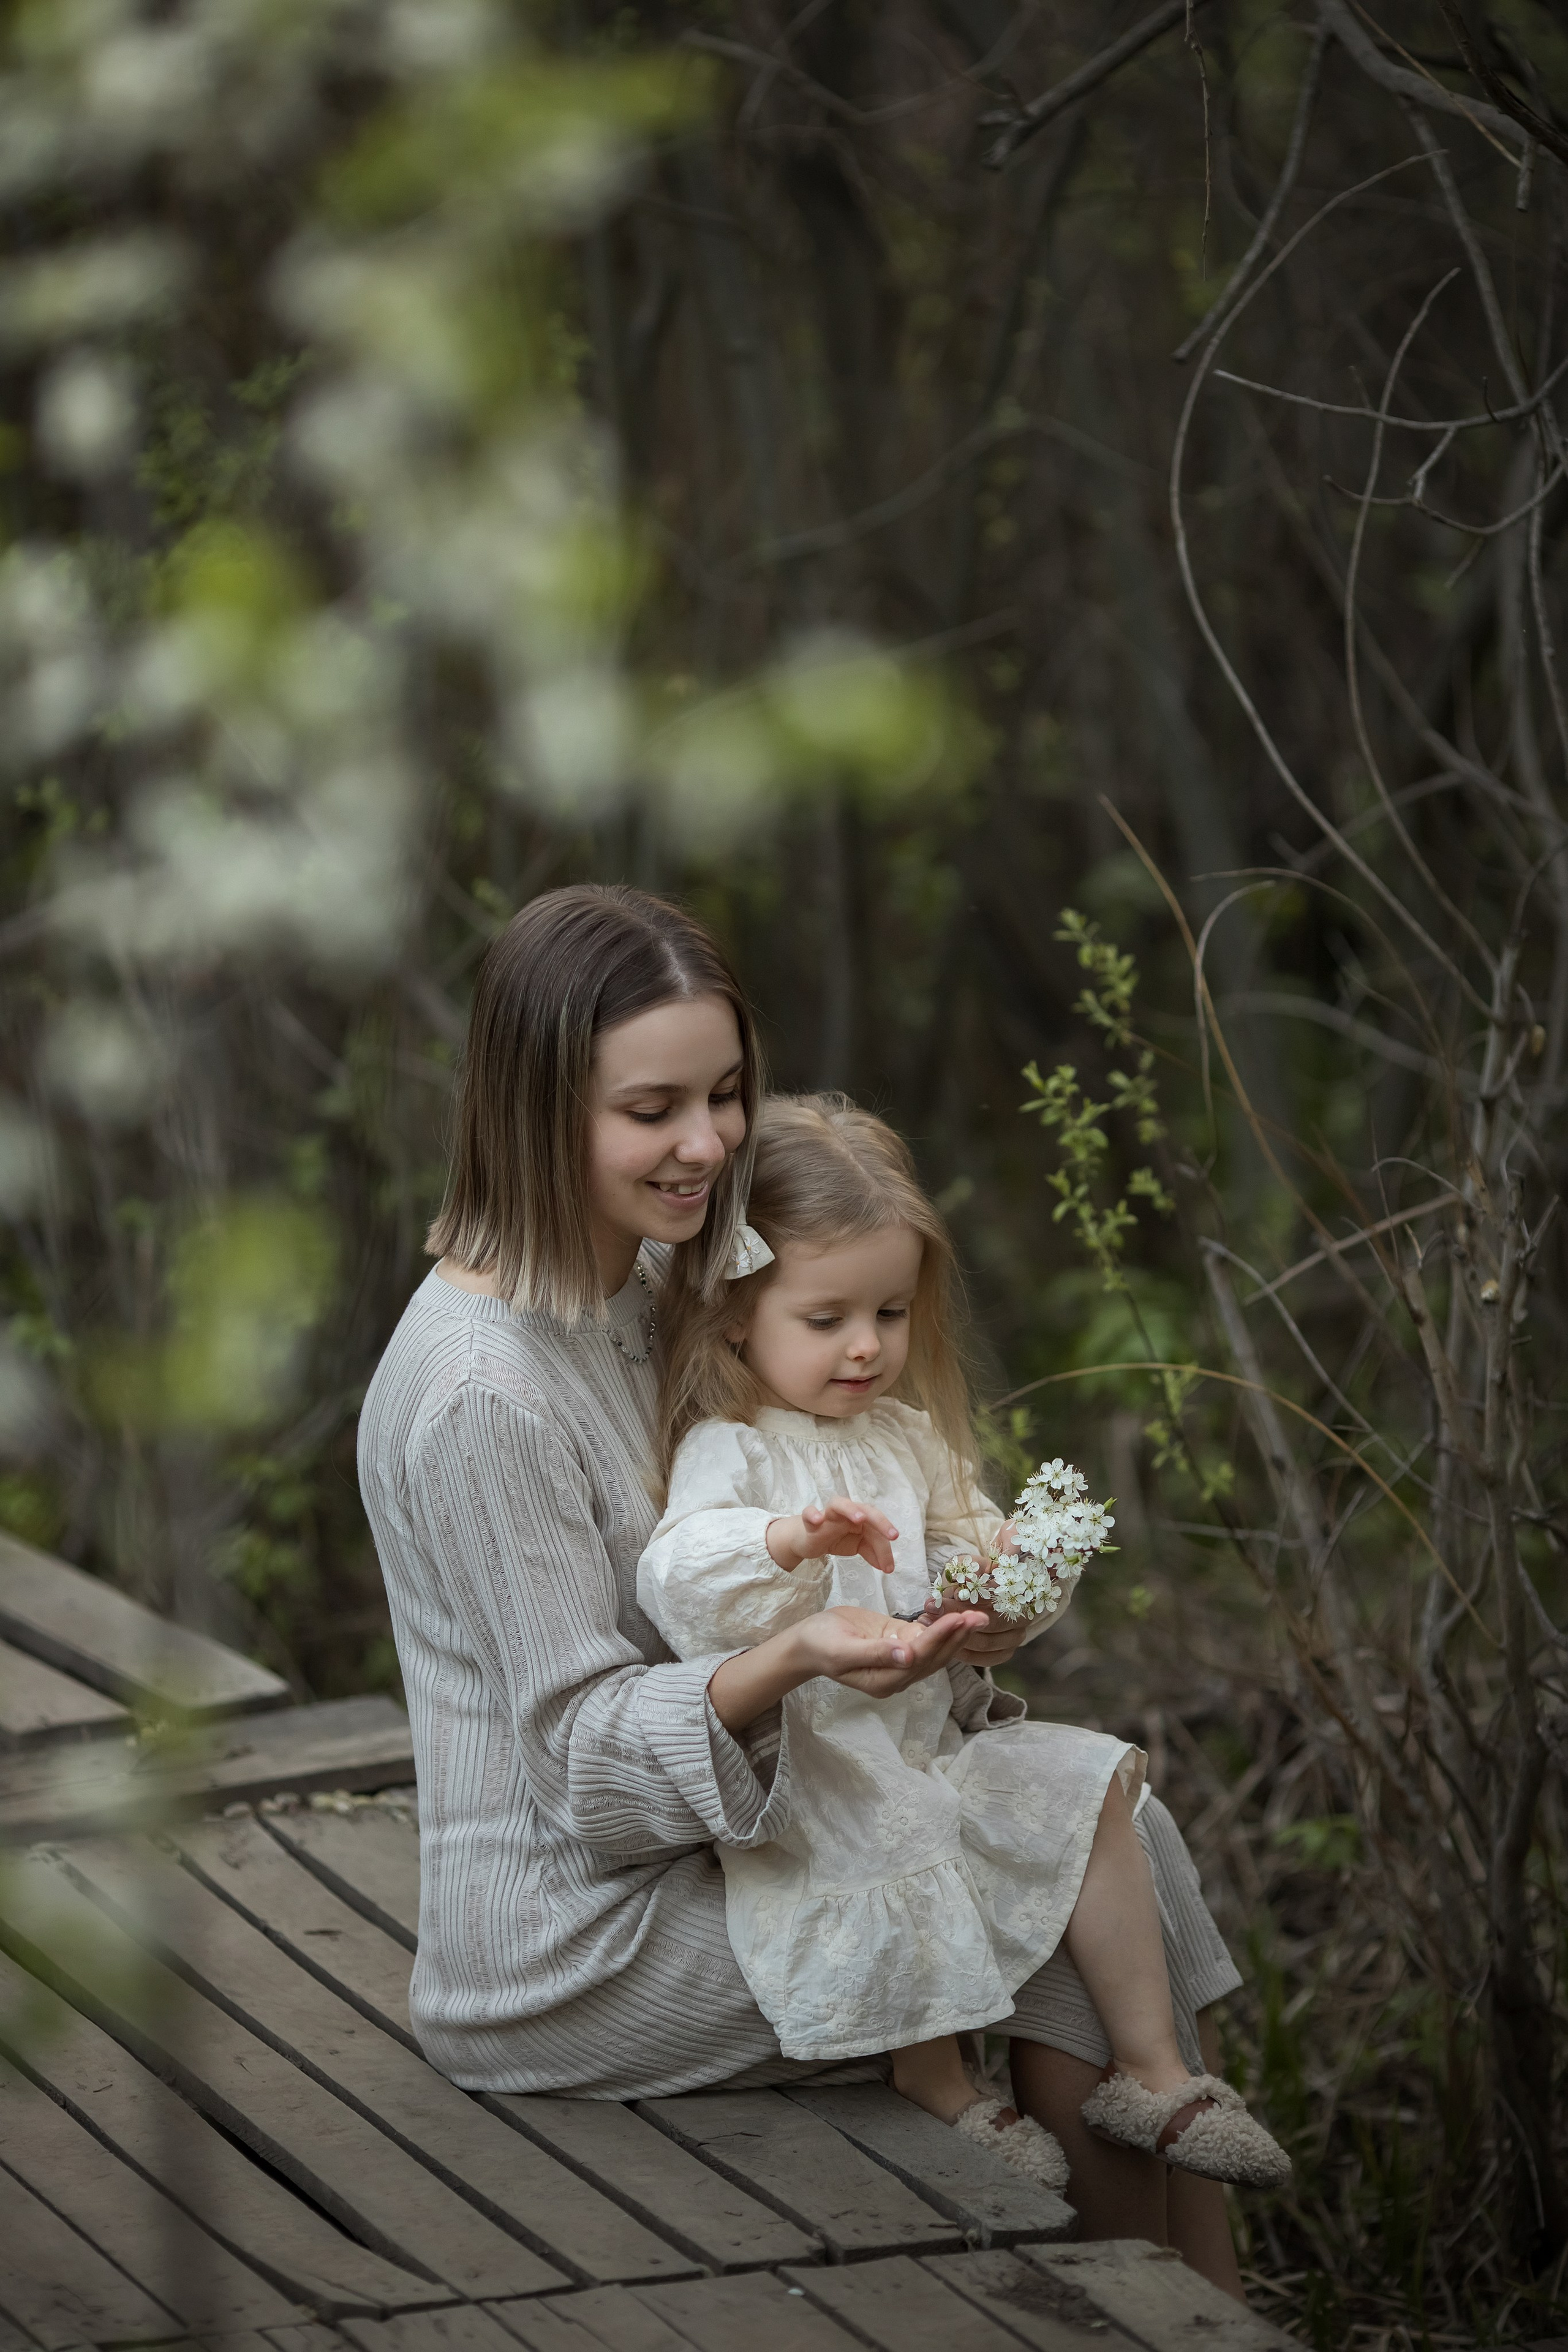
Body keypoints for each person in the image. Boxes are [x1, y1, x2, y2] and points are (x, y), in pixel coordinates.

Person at [356, 881, 1255, 2294]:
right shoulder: (481, 1398)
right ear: (537, 1107)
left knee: (1111, 1829)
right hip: (577, 1945)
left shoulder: (671, 1270)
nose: (706, 1143)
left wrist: (964, 1598)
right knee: (1063, 1941)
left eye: (724, 1093)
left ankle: (1178, 2305)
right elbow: (582, 1768)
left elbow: (839, 1433)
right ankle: (1172, 2317)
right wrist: (792, 1662)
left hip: (748, 1840)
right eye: (651, 1109)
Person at [637, 1093, 1291, 2196]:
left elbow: (965, 1540)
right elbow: (681, 1574)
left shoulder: (903, 1434)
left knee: (1092, 1787)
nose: (866, 1346)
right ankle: (935, 2083)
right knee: (892, 1840)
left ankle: (1154, 2071)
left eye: (891, 1314)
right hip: (824, 1760)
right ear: (738, 1314)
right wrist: (791, 1539)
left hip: (929, 1729)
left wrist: (1006, 1580)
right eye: (827, 1317)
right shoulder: (732, 1447)